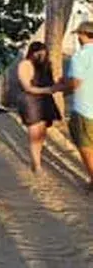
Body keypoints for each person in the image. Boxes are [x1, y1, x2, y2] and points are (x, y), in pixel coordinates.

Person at [17, 41, 62, 174]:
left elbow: (51, 84)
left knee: (42, 134)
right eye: (39, 53)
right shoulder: (25, 65)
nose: (41, 56)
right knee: (34, 133)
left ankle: (38, 158)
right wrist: (49, 90)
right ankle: (36, 164)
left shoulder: (46, 66)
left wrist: (59, 85)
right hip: (31, 101)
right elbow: (27, 87)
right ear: (32, 52)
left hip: (45, 101)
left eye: (44, 53)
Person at [64, 21, 93, 189]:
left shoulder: (80, 56)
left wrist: (61, 89)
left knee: (86, 147)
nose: (78, 38)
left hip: (85, 109)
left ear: (84, 35)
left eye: (79, 35)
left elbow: (74, 83)